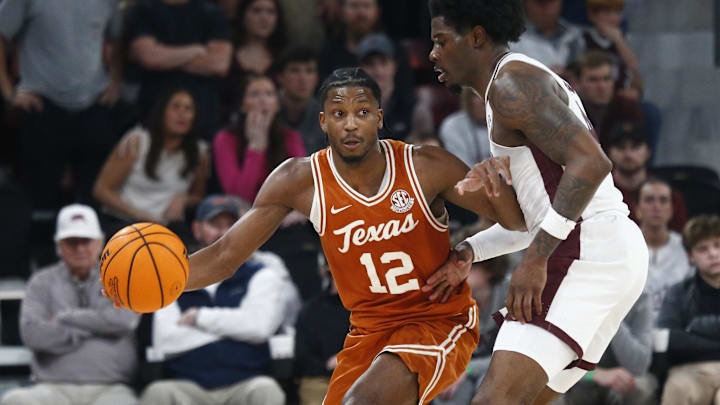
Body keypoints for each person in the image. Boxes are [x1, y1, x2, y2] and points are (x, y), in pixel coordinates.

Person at [103, 68, 527, 404]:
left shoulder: (425, 165)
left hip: (436, 319)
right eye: (339, 114)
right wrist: (163, 285)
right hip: (368, 331)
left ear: (379, 116)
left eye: (362, 112)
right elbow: (226, 255)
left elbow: (518, 224)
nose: (351, 124)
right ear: (323, 121)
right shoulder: (296, 180)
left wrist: (478, 229)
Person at [425, 1, 648, 404]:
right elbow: (534, 222)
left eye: (441, 41)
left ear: (476, 36)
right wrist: (470, 250)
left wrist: (536, 259)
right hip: (605, 248)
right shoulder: (509, 84)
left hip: (585, 249)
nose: (433, 54)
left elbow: (592, 163)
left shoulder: (512, 84)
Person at [139, 195, 298, 405]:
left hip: (246, 382)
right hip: (189, 386)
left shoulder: (262, 274)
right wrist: (238, 329)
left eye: (231, 225)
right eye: (215, 225)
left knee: (267, 390)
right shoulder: (172, 279)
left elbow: (260, 327)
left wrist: (199, 317)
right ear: (197, 229)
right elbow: (166, 340)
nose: (223, 233)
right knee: (158, 393)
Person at [1, 204, 139, 405]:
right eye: (72, 242)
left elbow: (124, 320)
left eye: (86, 241)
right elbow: (33, 334)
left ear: (100, 243)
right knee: (15, 400)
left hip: (111, 388)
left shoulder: (120, 277)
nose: (80, 249)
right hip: (51, 387)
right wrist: (97, 328)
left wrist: (66, 318)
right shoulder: (41, 282)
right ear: (59, 246)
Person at [0, 0, 124, 210]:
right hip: (42, 104)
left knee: (93, 199)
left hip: (94, 102)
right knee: (40, 200)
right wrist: (9, 92)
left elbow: (119, 35)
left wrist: (116, 78)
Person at [93, 88, 209, 233]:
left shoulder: (199, 152)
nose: (182, 114)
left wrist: (185, 200)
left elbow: (198, 196)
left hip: (165, 229)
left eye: (188, 109)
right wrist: (139, 215)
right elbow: (101, 189)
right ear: (162, 112)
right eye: (175, 107)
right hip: (124, 222)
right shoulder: (137, 141)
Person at [124, 0, 232, 139]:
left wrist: (164, 56)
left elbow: (219, 64)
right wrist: (195, 50)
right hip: (153, 111)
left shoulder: (212, 12)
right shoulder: (143, 9)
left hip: (202, 114)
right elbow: (150, 58)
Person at [655, 215, 720, 405]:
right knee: (678, 388)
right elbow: (668, 340)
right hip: (690, 369)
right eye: (703, 248)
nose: (713, 253)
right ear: (691, 257)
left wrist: (694, 328)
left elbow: (681, 338)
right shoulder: (678, 292)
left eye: (717, 245)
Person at [213, 73, 307, 204]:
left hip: (284, 212)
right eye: (254, 94)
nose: (263, 100)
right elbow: (238, 196)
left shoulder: (291, 137)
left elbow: (302, 186)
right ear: (242, 105)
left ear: (277, 105)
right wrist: (256, 147)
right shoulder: (225, 139)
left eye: (269, 94)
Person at [435, 256, 512, 405]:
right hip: (460, 368)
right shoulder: (447, 298)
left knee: (492, 388)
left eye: (467, 268)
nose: (458, 274)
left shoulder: (509, 296)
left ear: (490, 270)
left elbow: (514, 357)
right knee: (448, 391)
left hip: (498, 368)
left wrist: (469, 369)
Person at [563, 293, 657, 405]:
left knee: (642, 388)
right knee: (563, 388)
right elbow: (558, 365)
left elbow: (639, 366)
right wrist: (594, 374)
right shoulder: (578, 293)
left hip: (624, 376)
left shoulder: (639, 296)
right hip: (583, 376)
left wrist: (612, 316)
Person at [605, 122, 687, 232]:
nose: (628, 153)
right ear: (609, 152)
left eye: (635, 146)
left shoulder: (667, 195)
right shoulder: (601, 194)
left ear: (648, 152)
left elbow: (681, 240)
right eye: (621, 147)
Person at [294, 255, 351, 405]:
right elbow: (302, 353)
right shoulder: (311, 309)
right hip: (318, 378)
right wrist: (326, 367)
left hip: (356, 372)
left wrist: (343, 359)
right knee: (314, 391)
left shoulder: (364, 306)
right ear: (325, 270)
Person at [635, 178, 693, 323]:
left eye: (663, 200)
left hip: (678, 330)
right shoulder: (624, 247)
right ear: (638, 209)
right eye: (649, 200)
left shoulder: (687, 248)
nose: (656, 206)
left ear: (672, 209)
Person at [574, 50, 643, 148]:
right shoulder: (571, 111)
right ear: (578, 82)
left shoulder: (627, 108)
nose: (601, 86)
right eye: (593, 80)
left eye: (606, 79)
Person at [357, 33, 416, 141]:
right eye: (371, 64)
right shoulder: (350, 110)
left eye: (383, 63)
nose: (378, 71)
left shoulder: (412, 106)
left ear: (394, 66)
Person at [274, 46, 326, 154]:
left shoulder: (326, 117)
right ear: (280, 77)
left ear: (317, 79)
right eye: (294, 71)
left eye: (309, 71)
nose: (303, 79)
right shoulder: (267, 111)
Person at [510, 0, 584, 77]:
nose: (546, 8)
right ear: (525, 3)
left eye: (551, 1)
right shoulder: (511, 39)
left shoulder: (579, 35)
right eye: (540, 3)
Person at [438, 87, 491, 167]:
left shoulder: (509, 125)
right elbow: (462, 168)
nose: (483, 101)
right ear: (467, 100)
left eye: (488, 96)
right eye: (476, 95)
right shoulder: (453, 126)